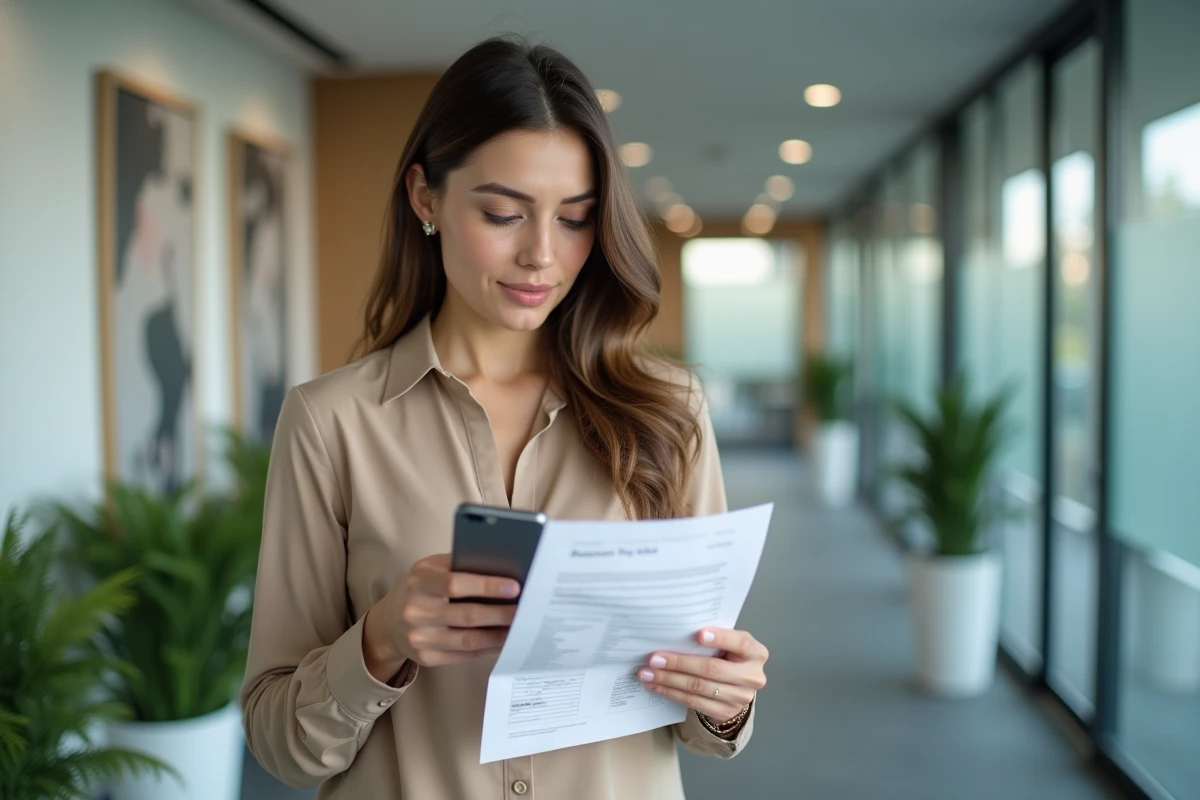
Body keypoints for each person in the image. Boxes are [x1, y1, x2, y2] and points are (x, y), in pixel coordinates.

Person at [240, 36, 769, 800]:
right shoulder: (333, 423)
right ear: (425, 197)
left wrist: (725, 700)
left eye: (576, 219)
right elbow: (279, 742)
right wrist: (382, 638)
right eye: (503, 213)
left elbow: (701, 712)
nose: (542, 256)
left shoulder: (669, 411)